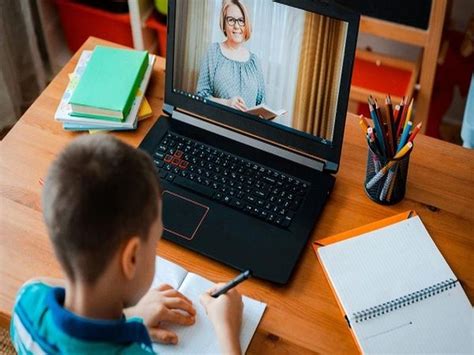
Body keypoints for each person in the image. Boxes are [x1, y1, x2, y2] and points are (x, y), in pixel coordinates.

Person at [10, 135, 243, 354]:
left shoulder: (27, 301)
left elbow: (40, 282)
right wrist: (227, 329)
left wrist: (129, 316)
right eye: (155, 243)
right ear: (131, 258)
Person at [196, 0, 266, 111]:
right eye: (231, 20)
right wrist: (227, 103)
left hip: (246, 127)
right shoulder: (213, 51)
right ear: (224, 25)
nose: (237, 26)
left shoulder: (255, 61)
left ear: (246, 24)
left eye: (241, 20)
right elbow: (201, 97)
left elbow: (262, 104)